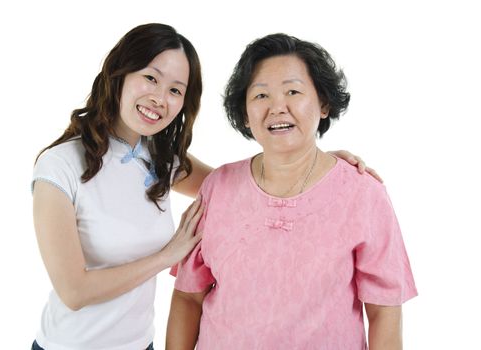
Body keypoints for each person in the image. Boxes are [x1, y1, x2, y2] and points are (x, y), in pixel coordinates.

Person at [31, 23, 380, 350]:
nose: (159, 97)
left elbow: (237, 188)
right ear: (118, 75)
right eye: (150, 78)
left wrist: (313, 161)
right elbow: (73, 290)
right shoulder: (59, 167)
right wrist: (167, 256)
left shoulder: (160, 159)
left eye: (174, 90)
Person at [167, 33, 417, 350]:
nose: (277, 107)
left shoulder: (363, 193)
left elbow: (384, 312)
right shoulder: (218, 186)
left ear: (323, 103)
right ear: (244, 113)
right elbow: (188, 297)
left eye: (293, 91)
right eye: (260, 96)